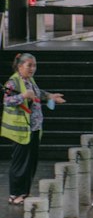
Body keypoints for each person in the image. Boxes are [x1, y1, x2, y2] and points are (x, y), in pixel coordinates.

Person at [2, 52, 66, 206]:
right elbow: (7, 100)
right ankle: (14, 194)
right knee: (20, 163)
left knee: (31, 162)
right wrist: (23, 96)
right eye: (29, 65)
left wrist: (50, 96)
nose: (32, 69)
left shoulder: (29, 80)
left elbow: (37, 93)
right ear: (20, 66)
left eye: (34, 65)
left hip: (34, 127)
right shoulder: (13, 82)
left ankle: (24, 192)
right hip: (20, 129)